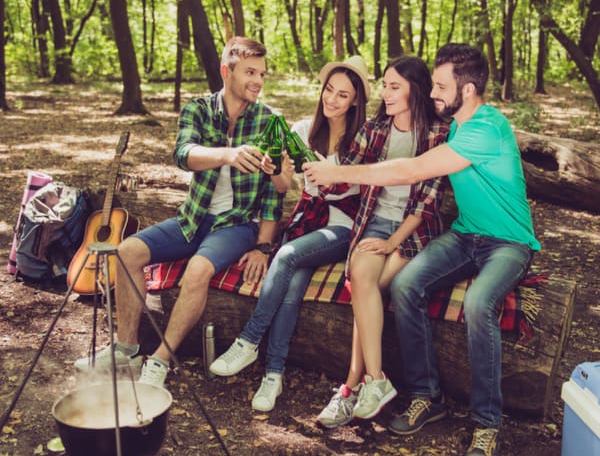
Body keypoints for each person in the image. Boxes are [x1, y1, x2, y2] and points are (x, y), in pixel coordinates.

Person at [305, 43, 540, 456]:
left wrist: (338, 172)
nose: (433, 92)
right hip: (466, 234)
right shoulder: (452, 126)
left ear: (466, 90)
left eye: (440, 85)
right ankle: (425, 395)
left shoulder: (485, 128)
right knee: (407, 284)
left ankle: (487, 421)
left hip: (509, 243)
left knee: (479, 303)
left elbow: (410, 171)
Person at [73, 36, 288, 387]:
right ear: (226, 71)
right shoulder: (199, 109)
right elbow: (183, 153)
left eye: (263, 74)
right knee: (127, 251)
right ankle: (126, 350)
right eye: (250, 72)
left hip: (236, 225)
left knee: (199, 268)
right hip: (193, 218)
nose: (258, 81)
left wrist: (263, 247)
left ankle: (159, 360)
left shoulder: (269, 121)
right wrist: (227, 154)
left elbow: (273, 195)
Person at [208, 55, 371, 412]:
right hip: (308, 220)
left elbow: (368, 190)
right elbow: (285, 186)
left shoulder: (365, 138)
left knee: (286, 255)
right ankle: (274, 375)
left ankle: (249, 340)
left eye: (343, 95)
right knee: (293, 284)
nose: (332, 99)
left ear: (355, 100)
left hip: (343, 226)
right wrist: (275, 170)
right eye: (329, 90)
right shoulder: (301, 130)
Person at [315, 56, 449, 428]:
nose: (386, 94)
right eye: (385, 85)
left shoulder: (439, 132)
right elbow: (345, 174)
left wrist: (392, 243)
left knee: (367, 289)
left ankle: (351, 386)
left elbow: (427, 203)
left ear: (415, 91)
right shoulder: (375, 129)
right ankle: (375, 380)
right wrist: (322, 174)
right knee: (361, 277)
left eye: (394, 87)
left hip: (412, 229)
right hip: (373, 223)